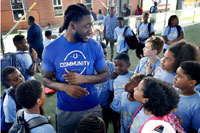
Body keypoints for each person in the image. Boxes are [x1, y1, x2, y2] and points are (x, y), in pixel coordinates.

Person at [42, 4, 108, 133]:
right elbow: (45, 79)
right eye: (87, 26)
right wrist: (65, 87)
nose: (91, 30)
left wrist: (83, 78)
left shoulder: (95, 46)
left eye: (92, 25)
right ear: (72, 25)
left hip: (92, 106)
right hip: (66, 109)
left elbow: (105, 74)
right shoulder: (51, 49)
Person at [173, 61, 200, 133]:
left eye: (179, 76)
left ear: (192, 83)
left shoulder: (197, 105)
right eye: (176, 74)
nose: (175, 78)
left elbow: (195, 130)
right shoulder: (172, 90)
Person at [110, 53, 133, 133]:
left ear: (128, 65)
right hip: (115, 107)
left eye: (121, 65)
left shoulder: (132, 77)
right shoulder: (113, 77)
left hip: (127, 108)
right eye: (116, 65)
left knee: (126, 126)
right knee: (116, 126)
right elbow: (111, 90)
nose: (118, 68)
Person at [96, 42, 114, 132]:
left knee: (104, 126)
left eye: (105, 53)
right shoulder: (87, 67)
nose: (104, 56)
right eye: (100, 54)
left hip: (105, 105)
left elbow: (112, 88)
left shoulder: (110, 66)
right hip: (91, 107)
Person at [1, 66, 24, 132]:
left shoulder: (23, 88)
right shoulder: (9, 102)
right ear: (8, 83)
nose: (21, 80)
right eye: (15, 80)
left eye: (20, 75)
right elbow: (12, 125)